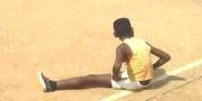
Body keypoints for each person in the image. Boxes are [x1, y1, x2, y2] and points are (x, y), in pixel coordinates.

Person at [37, 18, 171, 92]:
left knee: (91, 79)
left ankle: (53, 85)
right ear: (132, 30)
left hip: (137, 83)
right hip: (146, 80)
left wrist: (115, 77)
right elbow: (166, 57)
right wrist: (152, 68)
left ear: (115, 35)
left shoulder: (122, 48)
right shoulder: (143, 41)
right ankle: (53, 85)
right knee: (121, 70)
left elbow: (116, 66)